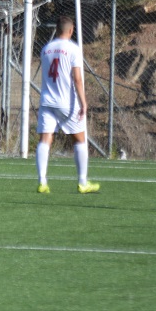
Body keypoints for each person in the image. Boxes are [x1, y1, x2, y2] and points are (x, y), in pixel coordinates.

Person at [35, 16, 100, 194]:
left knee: (45, 139)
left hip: (47, 101)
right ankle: (83, 182)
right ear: (71, 31)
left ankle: (42, 181)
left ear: (57, 29)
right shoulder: (73, 49)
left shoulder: (46, 49)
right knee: (79, 139)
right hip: (66, 102)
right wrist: (83, 102)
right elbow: (77, 79)